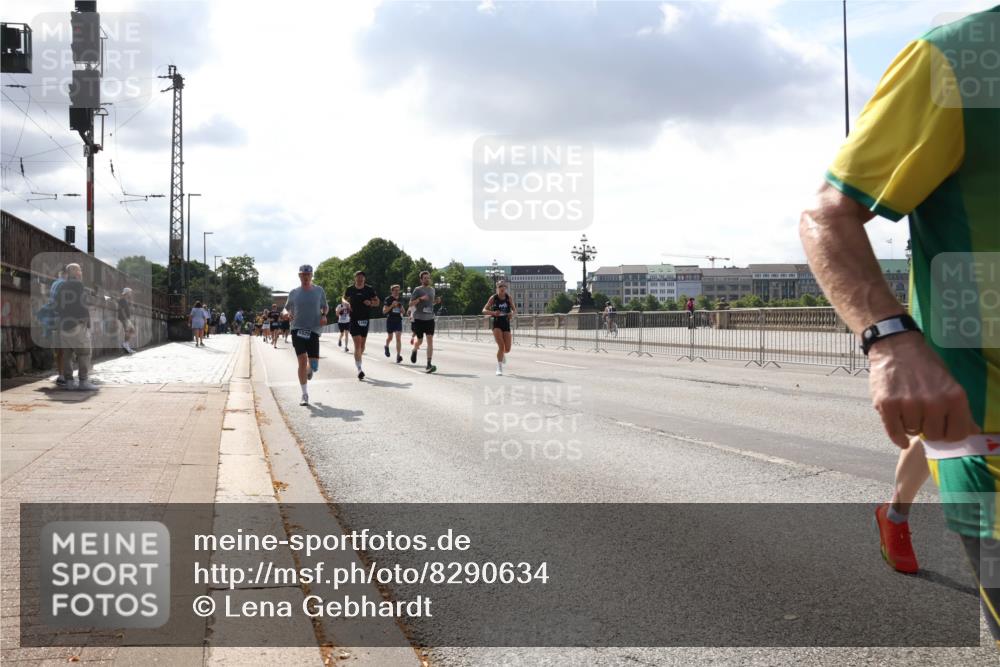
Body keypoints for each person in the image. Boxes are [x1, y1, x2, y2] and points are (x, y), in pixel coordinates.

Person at [800, 6, 998, 641]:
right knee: (931, 430)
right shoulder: (961, 57)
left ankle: (894, 508)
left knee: (922, 432)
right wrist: (891, 339)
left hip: (951, 402)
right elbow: (827, 214)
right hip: (984, 417)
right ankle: (897, 510)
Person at [285, 264, 328, 406]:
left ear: (311, 275)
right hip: (297, 328)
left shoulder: (319, 290)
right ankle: (304, 394)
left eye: (308, 275)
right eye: (303, 274)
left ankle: (310, 369)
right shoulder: (294, 292)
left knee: (314, 365)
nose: (306, 277)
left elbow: (325, 306)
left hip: (314, 329)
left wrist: (324, 315)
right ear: (299, 276)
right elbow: (285, 309)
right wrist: (286, 314)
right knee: (302, 360)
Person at [55, 263, 96, 390]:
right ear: (75, 272)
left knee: (67, 355)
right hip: (77, 324)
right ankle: (83, 381)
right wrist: (85, 321)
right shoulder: (78, 285)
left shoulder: (61, 286)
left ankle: (69, 382)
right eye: (80, 270)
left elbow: (56, 305)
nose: (81, 272)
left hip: (63, 325)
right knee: (84, 353)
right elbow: (82, 304)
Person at [343, 271, 379, 380]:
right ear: (355, 278)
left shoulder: (369, 289)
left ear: (364, 279)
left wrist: (371, 303)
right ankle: (359, 369)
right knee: (357, 345)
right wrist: (346, 302)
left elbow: (377, 302)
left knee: (362, 347)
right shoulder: (350, 289)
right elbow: (343, 298)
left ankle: (358, 359)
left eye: (362, 278)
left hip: (365, 319)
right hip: (354, 319)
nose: (360, 279)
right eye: (358, 277)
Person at [483, 280, 516, 375]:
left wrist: (511, 314)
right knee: (501, 346)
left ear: (506, 288)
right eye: (500, 286)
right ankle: (499, 367)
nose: (502, 288)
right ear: (497, 288)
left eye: (504, 286)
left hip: (506, 323)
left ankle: (502, 354)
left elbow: (515, 311)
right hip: (496, 323)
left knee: (507, 349)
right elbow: (484, 310)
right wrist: (493, 313)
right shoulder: (494, 298)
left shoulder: (508, 298)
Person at [409, 270, 438, 373]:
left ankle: (428, 363)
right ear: (421, 279)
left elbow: (430, 303)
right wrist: (420, 299)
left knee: (430, 340)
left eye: (428, 277)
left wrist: (436, 301)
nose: (427, 279)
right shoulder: (417, 290)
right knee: (420, 341)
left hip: (430, 318)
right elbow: (411, 304)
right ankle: (414, 349)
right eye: (425, 278)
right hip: (419, 319)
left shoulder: (432, 290)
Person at [383, 284, 405, 363]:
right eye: (395, 290)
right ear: (392, 291)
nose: (397, 292)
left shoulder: (400, 299)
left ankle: (398, 356)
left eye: (398, 290)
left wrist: (400, 307)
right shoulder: (388, 299)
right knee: (390, 337)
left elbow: (403, 312)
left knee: (398, 338)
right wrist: (392, 305)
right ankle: (386, 346)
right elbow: (384, 311)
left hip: (398, 320)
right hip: (390, 320)